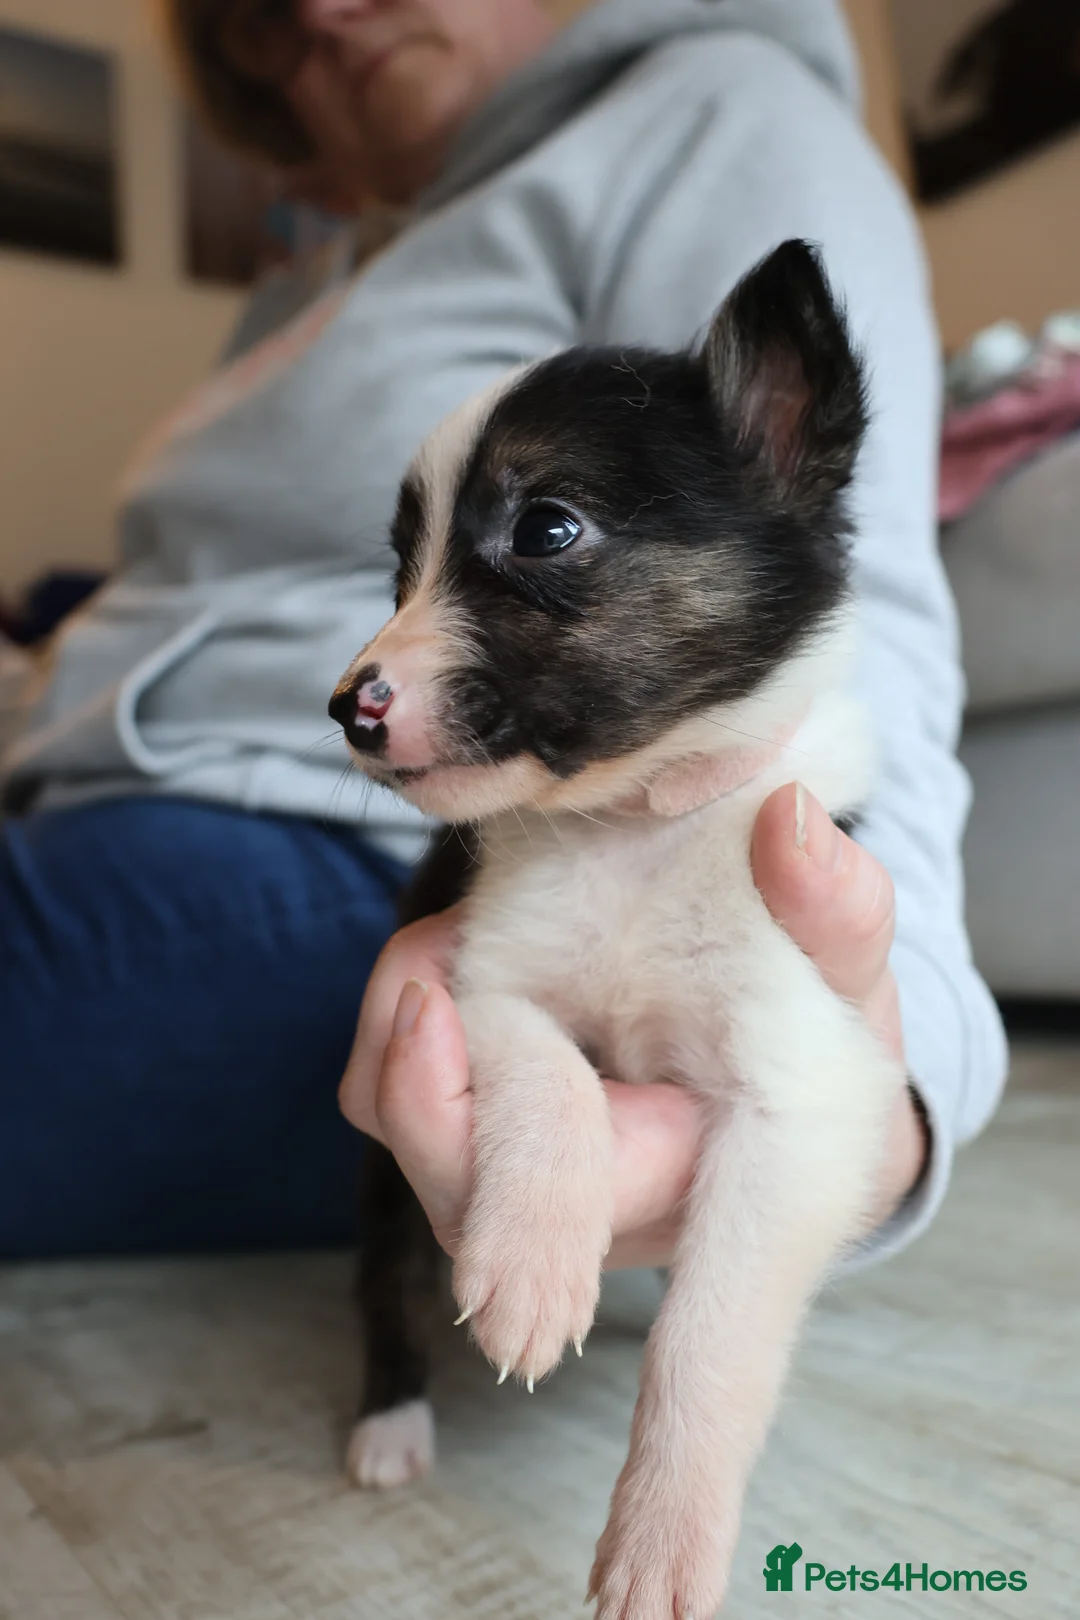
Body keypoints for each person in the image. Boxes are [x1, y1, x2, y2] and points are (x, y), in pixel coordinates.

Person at [0, 0, 1006, 1267]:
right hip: (100, 804)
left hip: (366, 846)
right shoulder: (302, 277)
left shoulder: (711, 112)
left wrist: (893, 1075)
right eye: (259, 16)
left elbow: (830, 589)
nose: (321, 10)